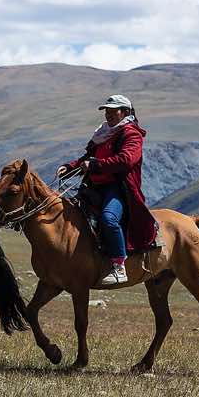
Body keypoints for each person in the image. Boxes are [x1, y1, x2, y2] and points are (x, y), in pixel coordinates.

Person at [57, 94, 157, 285]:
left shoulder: (131, 134)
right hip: (96, 186)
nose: (109, 115)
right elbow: (88, 157)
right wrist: (70, 167)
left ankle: (119, 266)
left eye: (113, 111)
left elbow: (127, 160)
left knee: (109, 219)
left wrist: (94, 165)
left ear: (125, 112)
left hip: (119, 187)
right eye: (107, 112)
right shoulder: (104, 133)